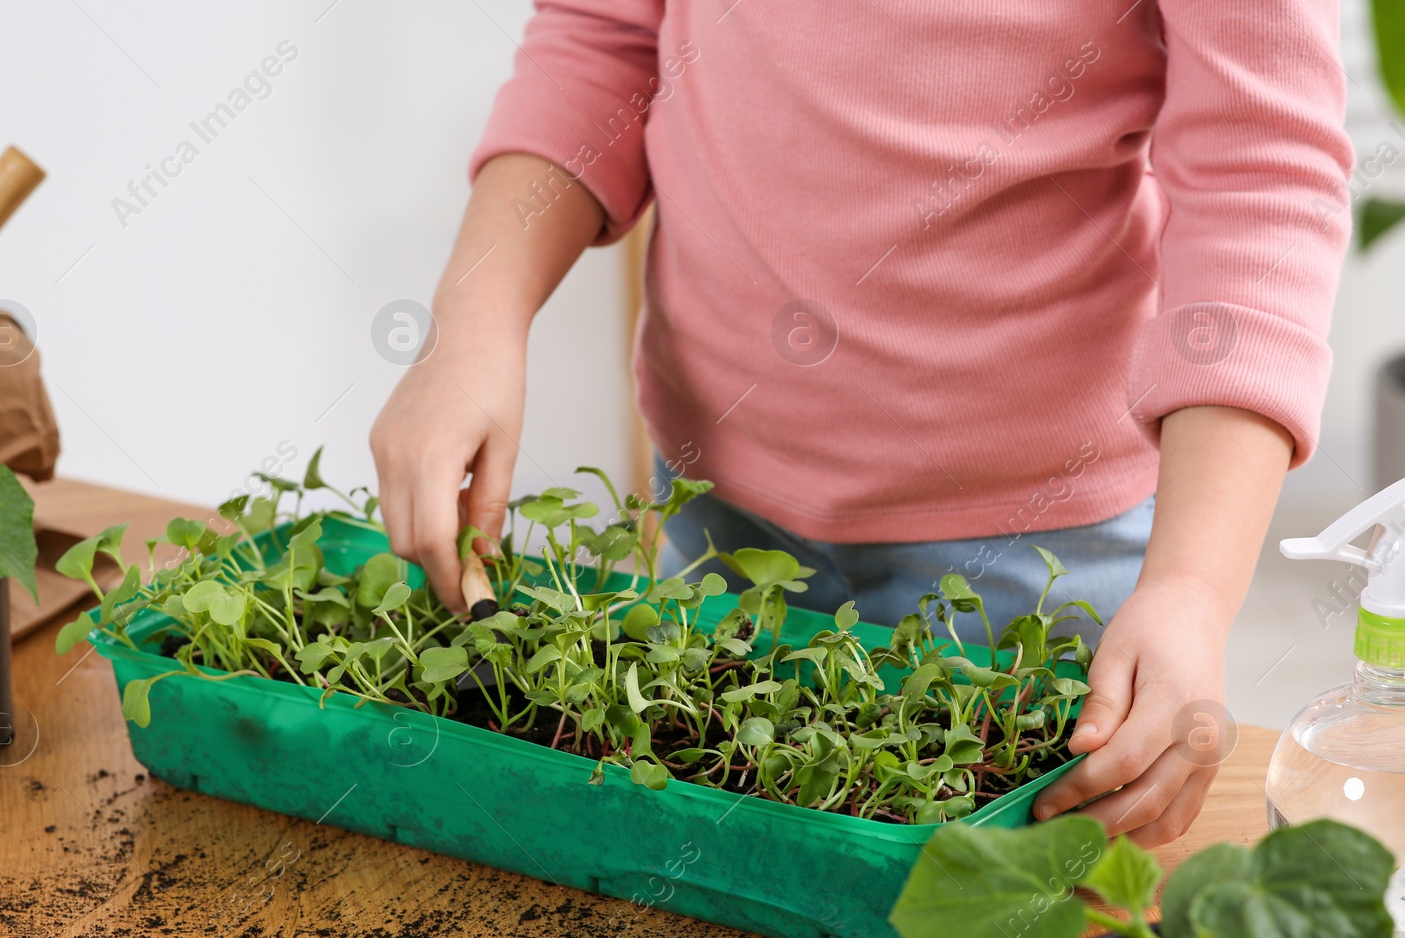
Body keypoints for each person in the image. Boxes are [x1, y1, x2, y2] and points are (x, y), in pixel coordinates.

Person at [369, 1, 1352, 846]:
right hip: (718, 515)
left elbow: (1257, 174)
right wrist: (474, 325)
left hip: (1040, 558)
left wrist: (1190, 587)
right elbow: (607, 37)